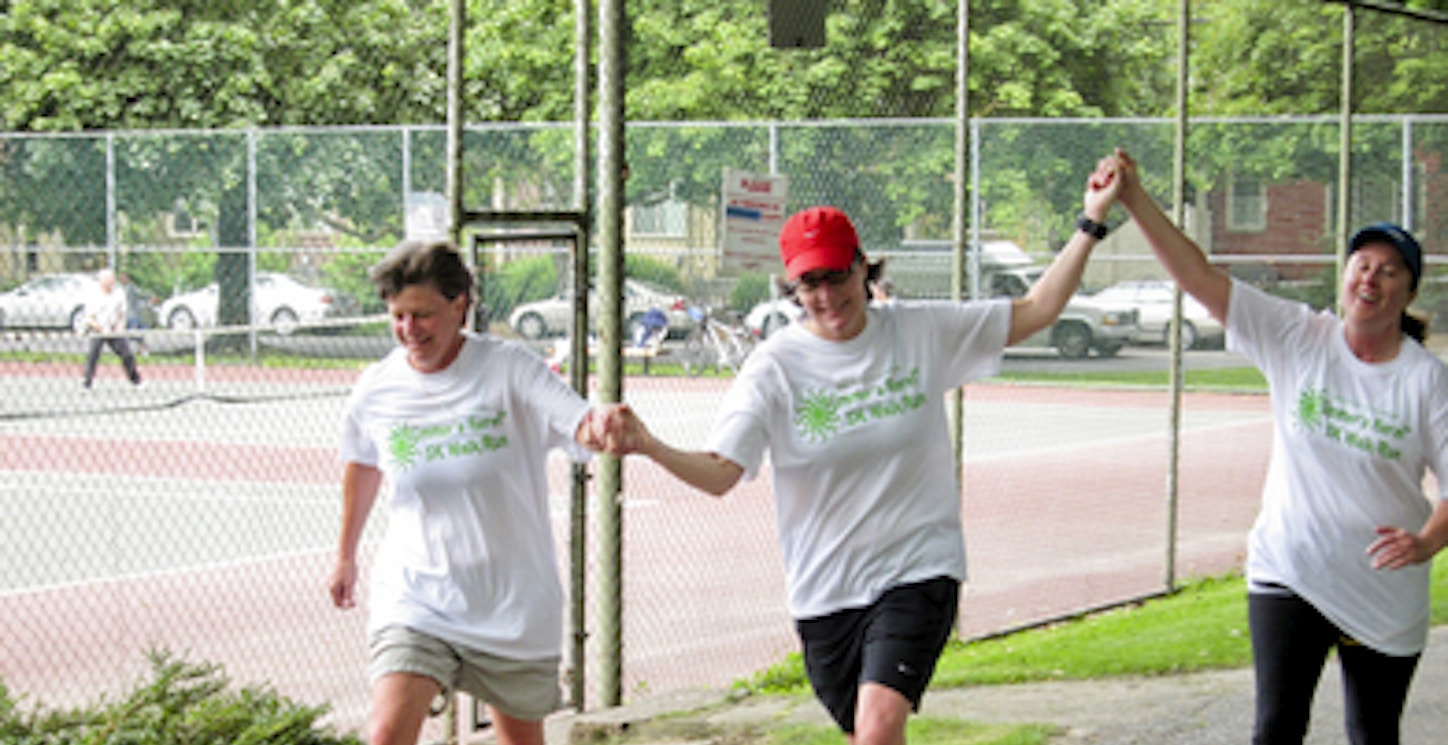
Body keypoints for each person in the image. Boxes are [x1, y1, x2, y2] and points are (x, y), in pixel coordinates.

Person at [599, 159, 1122, 745]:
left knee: (878, 727)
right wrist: (648, 445)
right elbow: (722, 474)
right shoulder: (774, 367)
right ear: (792, 288)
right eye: (808, 284)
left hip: (917, 567)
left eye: (836, 277)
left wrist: (1091, 220)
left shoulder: (917, 332)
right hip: (826, 590)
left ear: (863, 267)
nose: (826, 296)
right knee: (866, 735)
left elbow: (1037, 311)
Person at [1109, 148, 1448, 745]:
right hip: (1291, 567)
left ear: (1408, 291)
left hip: (1381, 588)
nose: (1370, 276)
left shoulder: (1425, 379)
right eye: (1361, 263)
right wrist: (1135, 199)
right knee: (1276, 726)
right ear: (1344, 277)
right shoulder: (1299, 337)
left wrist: (1426, 541)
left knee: (1374, 733)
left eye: (1389, 269)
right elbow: (1200, 277)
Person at [329, 239, 615, 745]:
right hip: (417, 594)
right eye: (397, 316)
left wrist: (604, 426)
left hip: (510, 601)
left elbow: (579, 425)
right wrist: (345, 555)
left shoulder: (508, 369)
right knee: (386, 732)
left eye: (423, 315)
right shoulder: (378, 387)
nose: (409, 331)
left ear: (460, 304)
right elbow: (364, 461)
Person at [81, 268, 143, 389]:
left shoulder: (118, 293)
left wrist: (119, 327)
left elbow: (122, 314)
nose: (112, 281)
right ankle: (86, 382)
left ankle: (136, 380)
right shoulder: (93, 295)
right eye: (108, 279)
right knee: (93, 354)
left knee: (127, 354)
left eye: (112, 278)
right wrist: (101, 329)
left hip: (113, 328)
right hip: (98, 328)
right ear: (101, 281)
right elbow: (90, 317)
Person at [118, 271, 150, 355]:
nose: (122, 280)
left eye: (124, 278)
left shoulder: (132, 288)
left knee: (136, 334)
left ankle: (144, 350)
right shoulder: (120, 289)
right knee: (123, 334)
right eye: (121, 278)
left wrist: (150, 297)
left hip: (133, 315)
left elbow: (141, 294)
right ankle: (126, 351)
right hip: (124, 315)